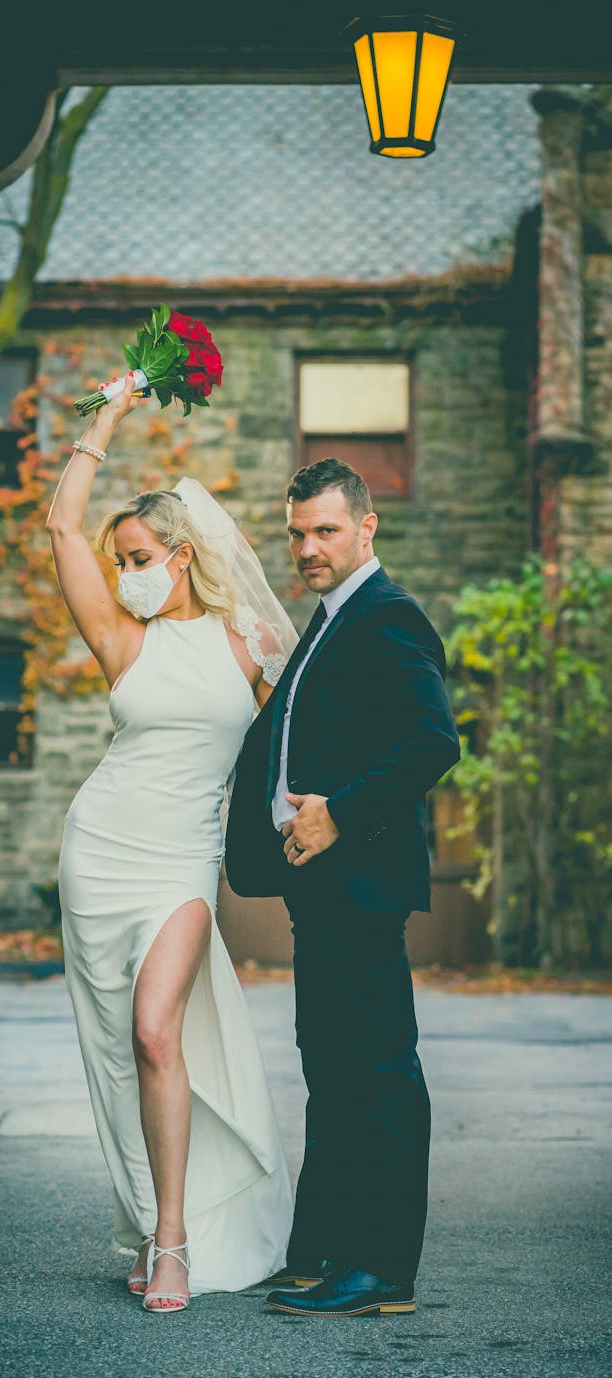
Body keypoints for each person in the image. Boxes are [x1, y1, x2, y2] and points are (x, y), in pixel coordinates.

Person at [46, 374, 296, 1312]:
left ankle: (176, 1242)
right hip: (102, 846)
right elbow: (62, 530)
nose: (128, 572)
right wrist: (108, 416)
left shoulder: (249, 642)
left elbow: (298, 738)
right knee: (119, 1045)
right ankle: (149, 1220)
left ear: (184, 556)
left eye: (143, 555)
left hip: (183, 864)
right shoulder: (120, 635)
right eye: (122, 561)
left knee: (157, 1031)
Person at [225, 457, 461, 1319]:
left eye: (325, 530)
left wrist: (340, 814)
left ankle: (381, 1268)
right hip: (320, 890)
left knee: (378, 1072)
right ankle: (324, 1248)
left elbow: (432, 740)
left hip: (360, 880)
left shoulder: (389, 616)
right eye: (297, 532)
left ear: (366, 528)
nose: (307, 547)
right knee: (330, 1066)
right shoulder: (329, 621)